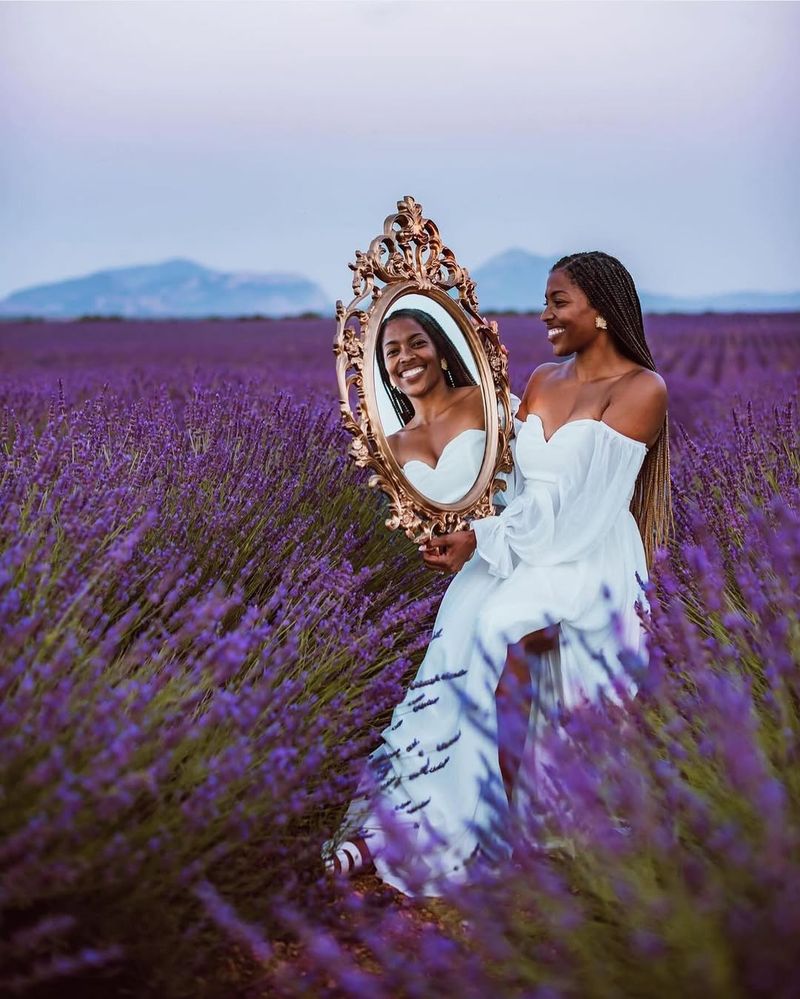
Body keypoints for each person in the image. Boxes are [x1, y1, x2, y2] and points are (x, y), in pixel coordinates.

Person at [325, 252, 670, 895]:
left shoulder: (641, 390)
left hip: (585, 557)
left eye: (559, 301)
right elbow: (508, 482)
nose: (546, 315)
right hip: (523, 543)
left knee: (493, 625)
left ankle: (486, 824)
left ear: (599, 309)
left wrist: (485, 540)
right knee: (462, 627)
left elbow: (581, 514)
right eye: (546, 300)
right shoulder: (541, 378)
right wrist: (462, 531)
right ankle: (406, 823)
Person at [377, 309, 485, 504]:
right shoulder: (391, 447)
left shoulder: (482, 400)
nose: (406, 357)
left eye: (417, 343)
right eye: (393, 352)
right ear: (388, 374)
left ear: (441, 354)